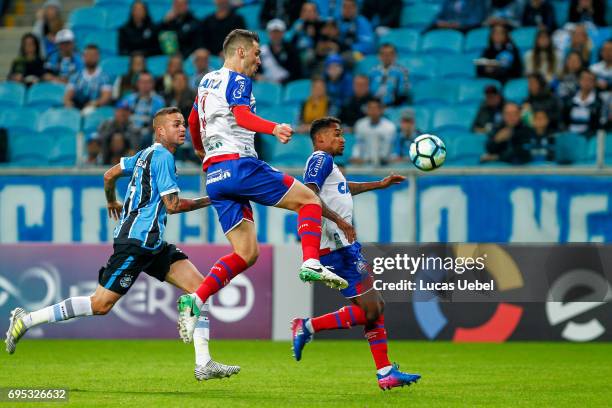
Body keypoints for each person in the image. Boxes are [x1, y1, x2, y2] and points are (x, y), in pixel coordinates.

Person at [5, 107, 240, 382]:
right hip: (135, 243)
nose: (182, 129)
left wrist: (110, 200)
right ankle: (27, 320)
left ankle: (203, 363)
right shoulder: (162, 156)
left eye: (182, 125)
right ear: (160, 131)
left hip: (152, 243)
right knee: (100, 305)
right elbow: (173, 205)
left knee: (201, 289)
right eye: (176, 125)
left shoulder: (143, 155)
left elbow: (109, 175)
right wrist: (214, 198)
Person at [177, 29, 348, 340]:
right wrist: (274, 128)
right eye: (256, 54)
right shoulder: (239, 80)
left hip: (215, 176)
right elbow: (241, 115)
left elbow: (192, 121)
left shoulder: (205, 81)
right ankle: (311, 261)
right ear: (240, 52)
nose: (258, 60)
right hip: (240, 164)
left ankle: (196, 298)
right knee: (309, 200)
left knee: (246, 252)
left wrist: (202, 150)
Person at [291, 116, 420, 390]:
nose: (343, 138)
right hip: (334, 247)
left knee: (375, 308)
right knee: (373, 308)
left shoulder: (331, 166)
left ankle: (385, 371)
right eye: (337, 134)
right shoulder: (320, 159)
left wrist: (378, 184)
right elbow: (309, 195)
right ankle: (308, 327)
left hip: (345, 247)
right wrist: (339, 220)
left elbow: (343, 190)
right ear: (321, 139)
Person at [121, 71, 166, 149]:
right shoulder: (128, 99)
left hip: (147, 133)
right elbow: (121, 116)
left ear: (152, 84)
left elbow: (159, 122)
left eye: (148, 82)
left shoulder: (159, 101)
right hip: (129, 130)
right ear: (138, 83)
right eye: (142, 82)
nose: (145, 85)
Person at [64, 44, 112, 110]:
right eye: (88, 55)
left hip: (95, 109)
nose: (90, 58)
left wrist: (95, 103)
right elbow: (68, 95)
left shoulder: (105, 77)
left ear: (98, 57)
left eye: (93, 55)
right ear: (83, 57)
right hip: (77, 107)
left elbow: (106, 97)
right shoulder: (76, 76)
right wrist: (67, 102)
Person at [351, 97, 396, 166]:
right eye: (370, 108)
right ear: (367, 110)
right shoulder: (360, 124)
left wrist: (382, 159)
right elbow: (358, 144)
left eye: (375, 108)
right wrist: (356, 157)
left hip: (384, 164)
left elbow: (390, 148)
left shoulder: (390, 127)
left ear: (381, 110)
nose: (373, 111)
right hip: (364, 163)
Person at [258, 19, 302, 83]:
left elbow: (297, 71)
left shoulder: (291, 49)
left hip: (287, 85)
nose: (275, 35)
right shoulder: (262, 50)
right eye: (273, 32)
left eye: (278, 32)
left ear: (283, 33)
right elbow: (256, 71)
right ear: (268, 34)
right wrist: (258, 76)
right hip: (268, 85)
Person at [562, 69, 604, 137]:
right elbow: (563, 121)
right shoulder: (569, 99)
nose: (586, 82)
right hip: (569, 136)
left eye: (590, 80)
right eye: (584, 79)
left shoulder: (599, 102)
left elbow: (598, 125)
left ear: (594, 83)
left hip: (589, 138)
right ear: (579, 81)